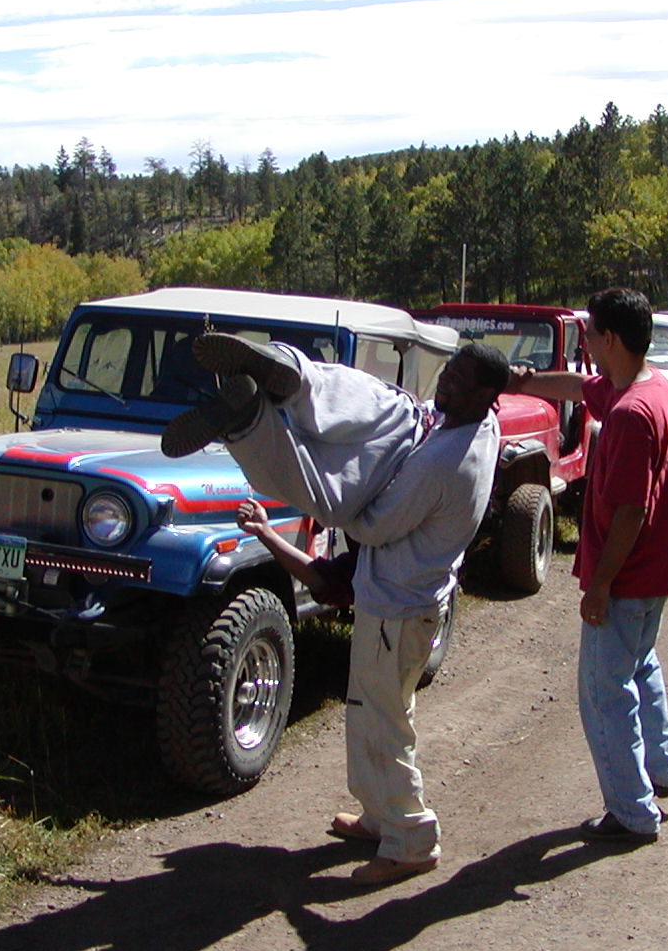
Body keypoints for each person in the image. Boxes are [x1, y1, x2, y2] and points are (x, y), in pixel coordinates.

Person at [165, 334, 506, 885]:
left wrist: (355, 498)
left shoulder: (445, 462)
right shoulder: (475, 425)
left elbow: (370, 526)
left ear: (486, 394)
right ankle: (288, 383)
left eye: (458, 382)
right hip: (406, 602)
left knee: (384, 724)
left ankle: (411, 838)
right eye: (447, 371)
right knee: (391, 407)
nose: (444, 382)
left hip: (398, 611)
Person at [508, 288, 668, 847]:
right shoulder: (641, 384)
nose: (585, 340)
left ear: (610, 339)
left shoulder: (633, 415)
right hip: (658, 569)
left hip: (631, 575)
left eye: (590, 333)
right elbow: (574, 385)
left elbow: (632, 512)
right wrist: (519, 381)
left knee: (602, 691)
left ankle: (632, 813)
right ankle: (661, 771)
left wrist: (602, 585)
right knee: (640, 666)